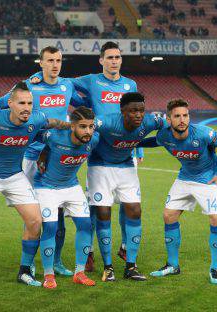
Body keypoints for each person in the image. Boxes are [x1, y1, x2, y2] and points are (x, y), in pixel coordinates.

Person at [30, 41, 143, 271]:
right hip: (96, 146)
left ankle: (123, 245)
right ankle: (89, 251)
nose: (114, 61)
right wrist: (36, 76)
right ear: (101, 60)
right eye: (109, 57)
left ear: (121, 60)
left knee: (129, 203)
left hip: (124, 149)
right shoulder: (91, 80)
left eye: (117, 57)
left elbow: (135, 114)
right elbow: (61, 81)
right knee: (96, 204)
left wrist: (138, 147)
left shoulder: (130, 84)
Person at [0, 81, 71, 291]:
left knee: (35, 220)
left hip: (15, 176)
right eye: (22, 103)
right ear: (10, 104)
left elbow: (52, 122)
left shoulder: (36, 118)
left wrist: (70, 126)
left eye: (30, 103)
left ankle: (24, 271)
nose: (27, 107)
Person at [0, 46, 83, 276]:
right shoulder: (29, 86)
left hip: (58, 156)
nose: (55, 65)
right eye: (50, 60)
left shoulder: (67, 85)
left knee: (60, 213)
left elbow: (84, 107)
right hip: (31, 156)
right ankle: (30, 262)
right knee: (33, 213)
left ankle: (55, 261)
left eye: (58, 60)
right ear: (41, 63)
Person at [145, 99, 217, 284]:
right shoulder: (165, 136)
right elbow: (155, 141)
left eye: (185, 115)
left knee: (216, 218)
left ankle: (215, 269)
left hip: (208, 180)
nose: (182, 119)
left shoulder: (202, 133)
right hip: (185, 178)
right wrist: (132, 144)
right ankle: (172, 265)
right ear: (169, 119)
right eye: (177, 116)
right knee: (168, 215)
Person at [88, 92, 165, 282]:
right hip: (100, 166)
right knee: (103, 213)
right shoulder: (107, 122)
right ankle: (108, 267)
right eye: (133, 111)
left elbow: (167, 126)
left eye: (141, 110)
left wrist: (161, 140)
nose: (138, 115)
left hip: (126, 165)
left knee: (135, 210)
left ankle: (131, 266)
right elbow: (86, 128)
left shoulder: (149, 122)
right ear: (123, 111)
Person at [35, 106, 99, 289]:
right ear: (72, 126)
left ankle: (79, 272)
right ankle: (48, 275)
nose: (88, 131)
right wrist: (43, 155)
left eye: (91, 126)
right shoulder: (54, 136)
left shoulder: (93, 140)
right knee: (50, 227)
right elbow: (32, 134)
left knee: (86, 225)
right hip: (46, 186)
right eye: (83, 126)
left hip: (71, 186)